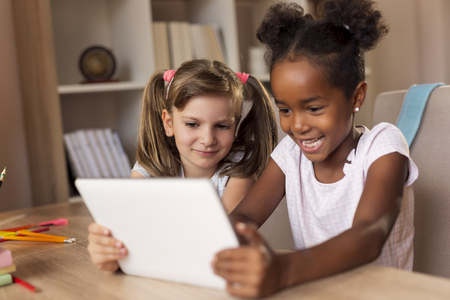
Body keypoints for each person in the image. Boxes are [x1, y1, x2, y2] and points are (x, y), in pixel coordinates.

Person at [212, 0, 418, 298]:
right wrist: (234, 237)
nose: (297, 125)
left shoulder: (384, 147)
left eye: (314, 108)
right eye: (284, 110)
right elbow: (244, 217)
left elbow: (369, 235)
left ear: (356, 96)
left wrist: (282, 269)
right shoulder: (290, 156)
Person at [87, 59, 278, 272]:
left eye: (222, 126)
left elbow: (217, 240)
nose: (207, 139)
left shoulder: (240, 165)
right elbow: (128, 238)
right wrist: (110, 254)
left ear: (235, 126)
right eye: (192, 124)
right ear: (169, 123)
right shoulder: (150, 167)